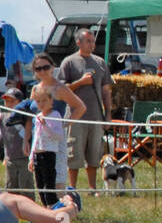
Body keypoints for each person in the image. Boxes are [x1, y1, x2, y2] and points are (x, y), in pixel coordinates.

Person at [59, 29, 114, 194]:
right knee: (74, 154)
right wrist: (80, 82)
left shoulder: (100, 63)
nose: (92, 44)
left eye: (92, 41)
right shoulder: (69, 62)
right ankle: (72, 188)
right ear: (79, 43)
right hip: (75, 116)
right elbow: (61, 89)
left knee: (94, 155)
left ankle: (93, 188)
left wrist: (108, 115)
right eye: (88, 41)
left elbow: (106, 91)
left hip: (95, 116)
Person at [29, 53, 86, 190]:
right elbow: (31, 113)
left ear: (52, 68)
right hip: (38, 139)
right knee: (41, 181)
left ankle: (63, 208)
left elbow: (80, 107)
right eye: (38, 69)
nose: (42, 71)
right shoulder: (35, 89)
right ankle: (47, 209)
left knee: (56, 180)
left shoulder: (60, 88)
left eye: (45, 67)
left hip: (55, 140)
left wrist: (65, 124)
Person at [0, 89, 32, 197]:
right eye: (6, 101)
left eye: (12, 101)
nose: (8, 104)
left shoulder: (26, 116)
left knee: (26, 187)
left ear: (20, 102)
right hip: (10, 158)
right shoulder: (2, 116)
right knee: (11, 188)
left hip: (25, 158)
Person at [27, 82, 67, 206]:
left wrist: (46, 126)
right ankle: (45, 207)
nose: (41, 104)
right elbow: (36, 138)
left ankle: (53, 205)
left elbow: (58, 135)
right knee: (39, 184)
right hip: (38, 154)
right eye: (38, 101)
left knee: (48, 183)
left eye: (44, 100)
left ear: (51, 101)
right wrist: (31, 157)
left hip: (49, 153)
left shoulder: (55, 115)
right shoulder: (38, 116)